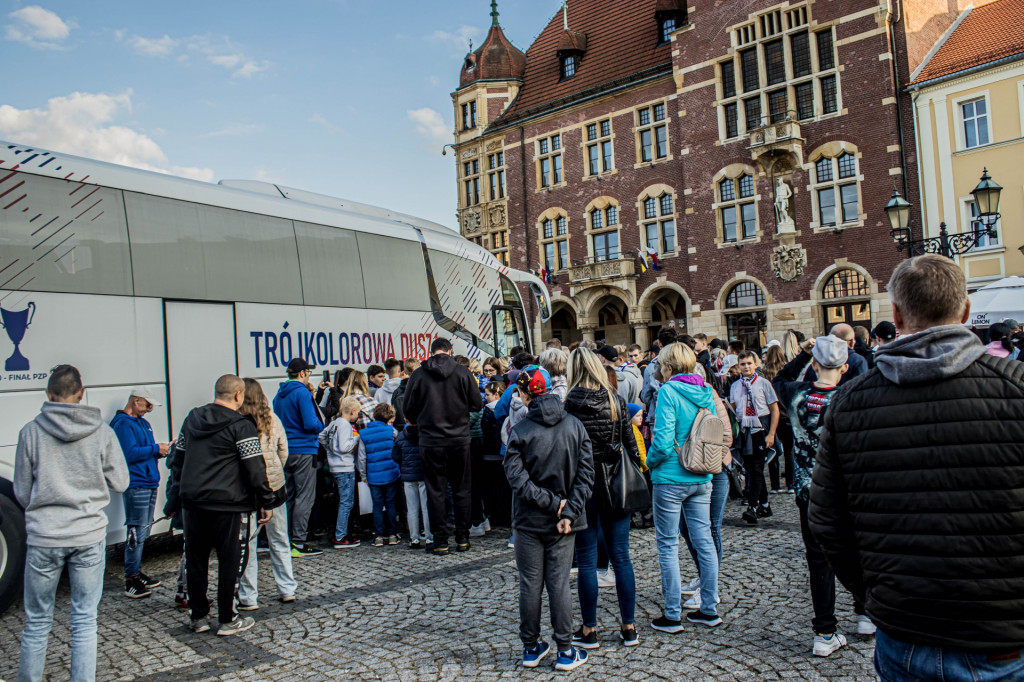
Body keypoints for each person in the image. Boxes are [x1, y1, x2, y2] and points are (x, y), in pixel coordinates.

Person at [809, 254, 1024, 681]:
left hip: (905, 627)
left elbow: (827, 521)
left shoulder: (851, 403)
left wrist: (874, 594)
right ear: (964, 311)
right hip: (1000, 635)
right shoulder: (1015, 387)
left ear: (896, 313)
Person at [15, 365, 130, 682]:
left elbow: (22, 491)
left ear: (48, 394)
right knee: (84, 619)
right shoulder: (102, 431)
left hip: (44, 536)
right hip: (88, 533)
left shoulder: (30, 432)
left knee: (36, 621)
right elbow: (121, 481)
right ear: (81, 393)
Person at [772, 336, 873, 657]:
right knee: (858, 551)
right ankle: (864, 613)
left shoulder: (797, 395)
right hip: (846, 492)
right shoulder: (852, 398)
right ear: (845, 367)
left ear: (815, 365)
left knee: (818, 559)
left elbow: (780, 379)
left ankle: (825, 631)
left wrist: (802, 354)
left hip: (809, 492)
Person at [504, 366, 595, 671]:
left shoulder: (519, 431)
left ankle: (531, 647)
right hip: (561, 519)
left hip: (531, 519)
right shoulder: (574, 425)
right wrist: (565, 509)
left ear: (524, 393)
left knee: (531, 583)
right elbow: (586, 475)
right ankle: (566, 651)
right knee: (558, 584)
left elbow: (517, 479)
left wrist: (556, 505)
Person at [172, 374, 276, 636]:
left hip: (193, 501)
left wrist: (178, 493)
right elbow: (254, 467)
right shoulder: (241, 425)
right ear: (239, 396)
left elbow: (178, 459)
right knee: (230, 561)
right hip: (227, 503)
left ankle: (198, 616)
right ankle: (227, 618)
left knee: (196, 560)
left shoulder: (191, 419)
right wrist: (266, 500)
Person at [647, 344, 727, 633]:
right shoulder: (705, 389)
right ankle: (708, 608)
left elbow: (663, 438)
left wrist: (649, 462)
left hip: (670, 475)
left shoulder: (669, 391)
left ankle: (671, 615)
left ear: (668, 367)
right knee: (703, 540)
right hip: (702, 475)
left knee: (668, 544)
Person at [565, 348, 642, 649]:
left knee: (586, 560)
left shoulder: (568, 404)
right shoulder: (616, 400)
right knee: (621, 556)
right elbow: (629, 444)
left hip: (582, 486)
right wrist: (637, 472)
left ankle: (589, 629)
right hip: (614, 482)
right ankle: (629, 627)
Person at [402, 337, 483, 554]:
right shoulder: (463, 373)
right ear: (450, 351)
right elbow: (477, 403)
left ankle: (440, 541)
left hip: (430, 440)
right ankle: (462, 538)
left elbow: (407, 408)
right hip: (459, 439)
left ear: (431, 352)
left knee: (435, 490)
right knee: (461, 489)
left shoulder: (418, 374)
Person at [237, 378, 296, 609]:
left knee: (248, 545)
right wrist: (275, 472)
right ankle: (287, 588)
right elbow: (284, 451)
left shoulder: (238, 423)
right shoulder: (272, 419)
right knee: (280, 538)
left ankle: (248, 596)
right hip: (274, 487)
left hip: (247, 490)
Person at [110, 386, 173, 599]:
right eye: (147, 405)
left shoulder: (143, 424)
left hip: (148, 481)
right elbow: (129, 453)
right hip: (136, 483)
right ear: (135, 401)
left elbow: (143, 452)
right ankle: (131, 579)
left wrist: (162, 451)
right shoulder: (122, 424)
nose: (149, 409)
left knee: (143, 530)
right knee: (136, 531)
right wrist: (157, 449)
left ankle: (137, 572)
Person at [272, 358, 324, 557]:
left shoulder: (279, 395)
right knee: (305, 496)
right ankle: (298, 542)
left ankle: (284, 538)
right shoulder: (302, 393)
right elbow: (311, 424)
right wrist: (322, 424)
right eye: (308, 372)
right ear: (302, 373)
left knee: (289, 496)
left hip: (285, 450)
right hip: (304, 449)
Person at [729, 350, 779, 525]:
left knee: (757, 468)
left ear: (755, 365)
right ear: (738, 366)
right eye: (743, 364)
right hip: (745, 430)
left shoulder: (764, 383)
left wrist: (771, 433)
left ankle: (752, 506)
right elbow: (734, 408)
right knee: (751, 469)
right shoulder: (735, 386)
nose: (746, 367)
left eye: (749, 363)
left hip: (761, 428)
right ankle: (764, 504)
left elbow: (774, 409)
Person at [320, 396, 364, 548]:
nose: (358, 416)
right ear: (352, 411)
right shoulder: (345, 425)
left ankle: (339, 533)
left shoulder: (334, 423)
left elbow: (321, 436)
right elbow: (345, 447)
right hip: (345, 467)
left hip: (334, 466)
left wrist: (330, 451)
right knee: (347, 502)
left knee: (342, 501)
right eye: (357, 412)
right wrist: (356, 439)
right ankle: (341, 535)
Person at [357, 403, 401, 546]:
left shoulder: (364, 434)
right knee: (391, 503)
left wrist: (363, 475)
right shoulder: (391, 431)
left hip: (373, 475)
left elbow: (362, 457)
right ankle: (393, 534)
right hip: (391, 473)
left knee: (377, 505)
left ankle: (379, 536)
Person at [393, 417, 432, 549]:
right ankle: (429, 537)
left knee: (412, 508)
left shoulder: (400, 436)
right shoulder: (425, 434)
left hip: (408, 476)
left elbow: (395, 456)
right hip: (423, 473)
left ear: (405, 419)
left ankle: (414, 538)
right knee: (426, 507)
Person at [640, 327, 680, 427]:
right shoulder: (687, 361)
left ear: (659, 343)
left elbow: (646, 396)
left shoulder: (653, 365)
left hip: (659, 416)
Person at [392, 357, 420, 429]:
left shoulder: (397, 392)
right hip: (422, 427)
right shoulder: (425, 386)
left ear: (404, 371)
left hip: (403, 428)